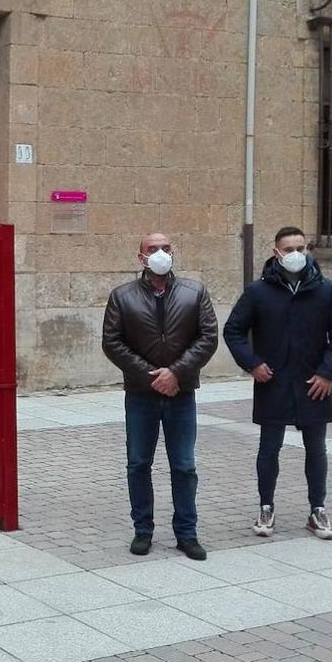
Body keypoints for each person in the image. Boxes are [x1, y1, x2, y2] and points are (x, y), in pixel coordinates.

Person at [223, 226, 332, 541]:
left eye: (301, 247)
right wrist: (252, 364)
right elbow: (234, 331)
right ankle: (266, 506)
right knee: (269, 448)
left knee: (316, 449)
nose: (295, 253)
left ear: (307, 249)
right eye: (288, 248)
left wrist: (328, 373)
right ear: (276, 253)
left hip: (314, 382)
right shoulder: (258, 292)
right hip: (274, 382)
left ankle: (317, 510)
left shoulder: (326, 290)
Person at [102, 232, 218, 560]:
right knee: (139, 463)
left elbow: (208, 337)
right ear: (140, 257)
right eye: (152, 249)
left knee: (184, 465)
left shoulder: (195, 292)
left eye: (165, 248)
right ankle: (143, 530)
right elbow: (112, 342)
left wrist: (176, 373)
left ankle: (187, 532)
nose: (160, 254)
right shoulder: (122, 296)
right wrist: (151, 375)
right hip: (141, 394)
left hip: (181, 394)